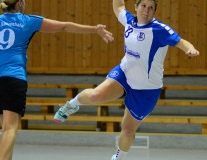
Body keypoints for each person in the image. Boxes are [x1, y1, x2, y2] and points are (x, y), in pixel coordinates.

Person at [54, 0, 200, 159]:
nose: (147, 10)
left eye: (151, 7)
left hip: (147, 88)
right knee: (96, 96)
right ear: (136, 7)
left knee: (128, 129)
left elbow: (181, 42)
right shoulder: (129, 20)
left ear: (154, 11)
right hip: (125, 73)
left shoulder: (160, 30)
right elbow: (118, 6)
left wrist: (190, 49)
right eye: (143, 5)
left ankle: (119, 157)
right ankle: (71, 105)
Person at [0, 0, 114, 160]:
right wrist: (95, 29)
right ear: (19, 3)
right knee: (10, 128)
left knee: (7, 127)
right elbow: (64, 26)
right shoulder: (27, 20)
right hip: (12, 78)